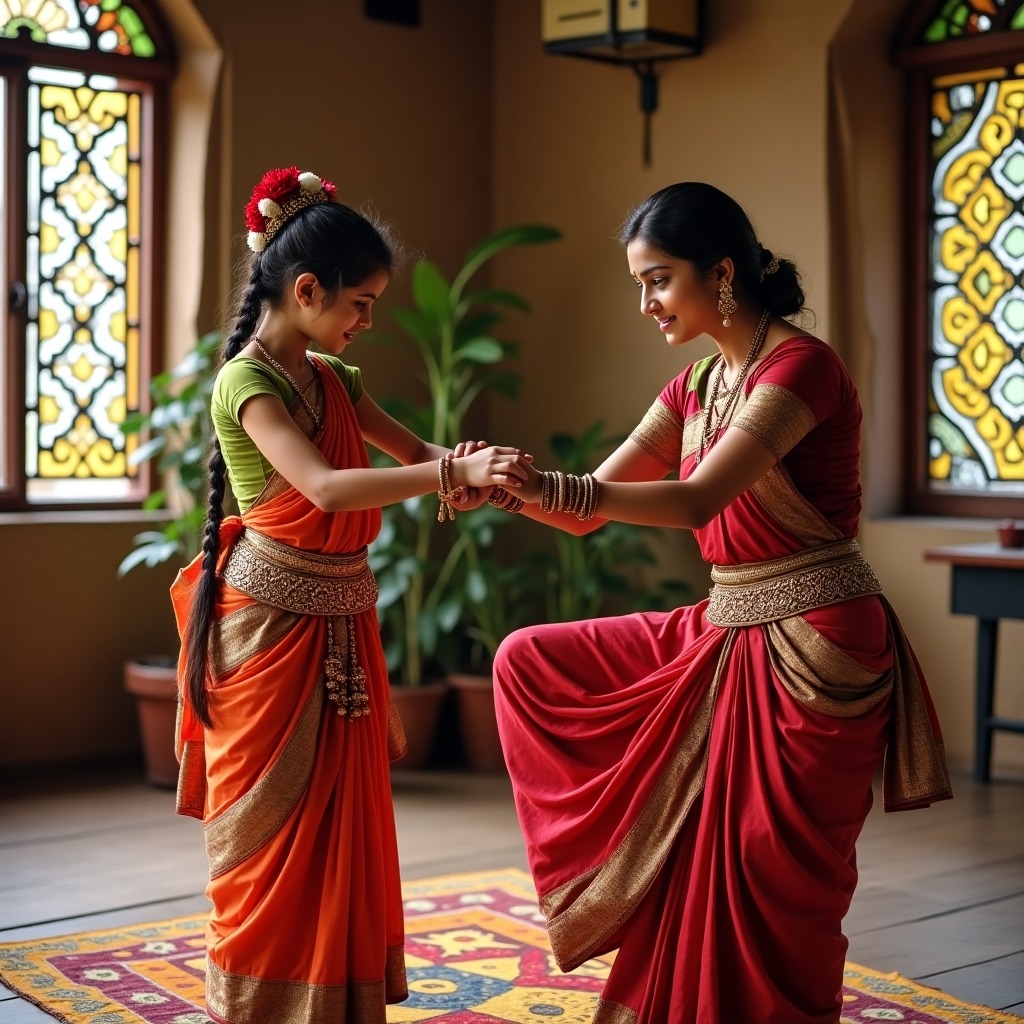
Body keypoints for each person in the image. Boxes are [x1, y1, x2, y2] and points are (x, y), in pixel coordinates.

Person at [489, 182, 953, 1024]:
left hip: (817, 645)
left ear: (723, 273)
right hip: (726, 627)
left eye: (659, 280)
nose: (646, 304)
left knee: (769, 871)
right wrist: (502, 485)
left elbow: (700, 498)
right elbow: (589, 506)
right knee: (529, 659)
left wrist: (558, 489)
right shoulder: (696, 386)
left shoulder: (802, 367)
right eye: (640, 284)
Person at [169, 165, 531, 1024]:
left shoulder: (336, 378)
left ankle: (332, 998)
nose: (367, 321)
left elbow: (420, 455)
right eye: (360, 304)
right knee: (267, 832)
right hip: (268, 632)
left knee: (341, 825)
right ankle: (260, 999)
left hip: (342, 618)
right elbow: (328, 489)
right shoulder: (246, 382)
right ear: (306, 290)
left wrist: (480, 473)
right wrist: (449, 475)